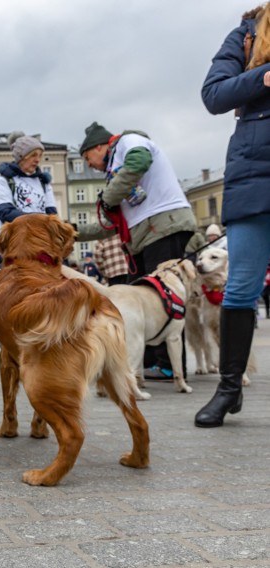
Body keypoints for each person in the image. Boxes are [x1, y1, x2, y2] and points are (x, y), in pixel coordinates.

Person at [195, 4, 270, 427]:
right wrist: (265, 75)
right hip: (255, 174)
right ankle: (228, 389)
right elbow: (214, 95)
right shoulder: (245, 34)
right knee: (241, 286)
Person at [76, 121, 197, 379]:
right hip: (148, 234)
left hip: (164, 226)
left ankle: (169, 366)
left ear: (100, 146)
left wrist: (109, 196)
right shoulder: (115, 171)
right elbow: (109, 224)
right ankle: (146, 363)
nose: (89, 165)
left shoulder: (129, 142)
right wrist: (73, 232)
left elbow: (139, 161)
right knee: (139, 301)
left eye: (88, 157)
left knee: (163, 299)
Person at [0, 131, 59, 272]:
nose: (37, 160)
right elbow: (5, 212)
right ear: (22, 157)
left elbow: (52, 213)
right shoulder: (4, 181)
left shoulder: (43, 183)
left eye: (40, 155)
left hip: (39, 247)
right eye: (33, 155)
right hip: (11, 247)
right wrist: (38, 222)